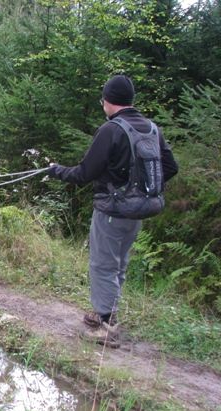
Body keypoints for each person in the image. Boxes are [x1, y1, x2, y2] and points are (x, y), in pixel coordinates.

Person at [47, 74, 179, 348]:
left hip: (113, 210)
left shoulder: (111, 130)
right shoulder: (152, 129)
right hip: (138, 211)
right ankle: (104, 311)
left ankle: (107, 326)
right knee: (118, 263)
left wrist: (55, 171)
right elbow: (171, 167)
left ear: (108, 101)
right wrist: (140, 190)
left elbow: (84, 173)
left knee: (102, 265)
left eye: (102, 100)